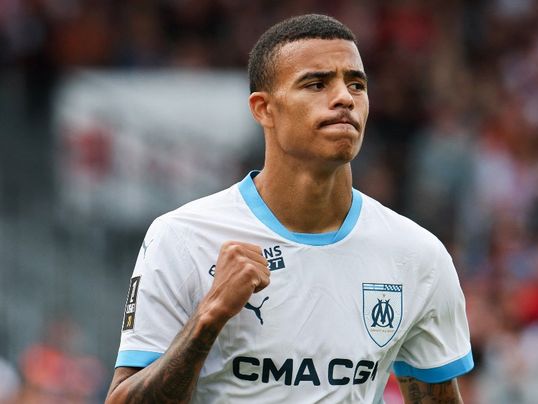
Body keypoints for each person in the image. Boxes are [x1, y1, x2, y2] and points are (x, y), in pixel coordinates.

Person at [106, 14, 473, 403]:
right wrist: (208, 318)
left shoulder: (417, 254)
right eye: (317, 83)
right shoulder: (182, 238)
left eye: (356, 84)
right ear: (264, 109)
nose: (345, 97)